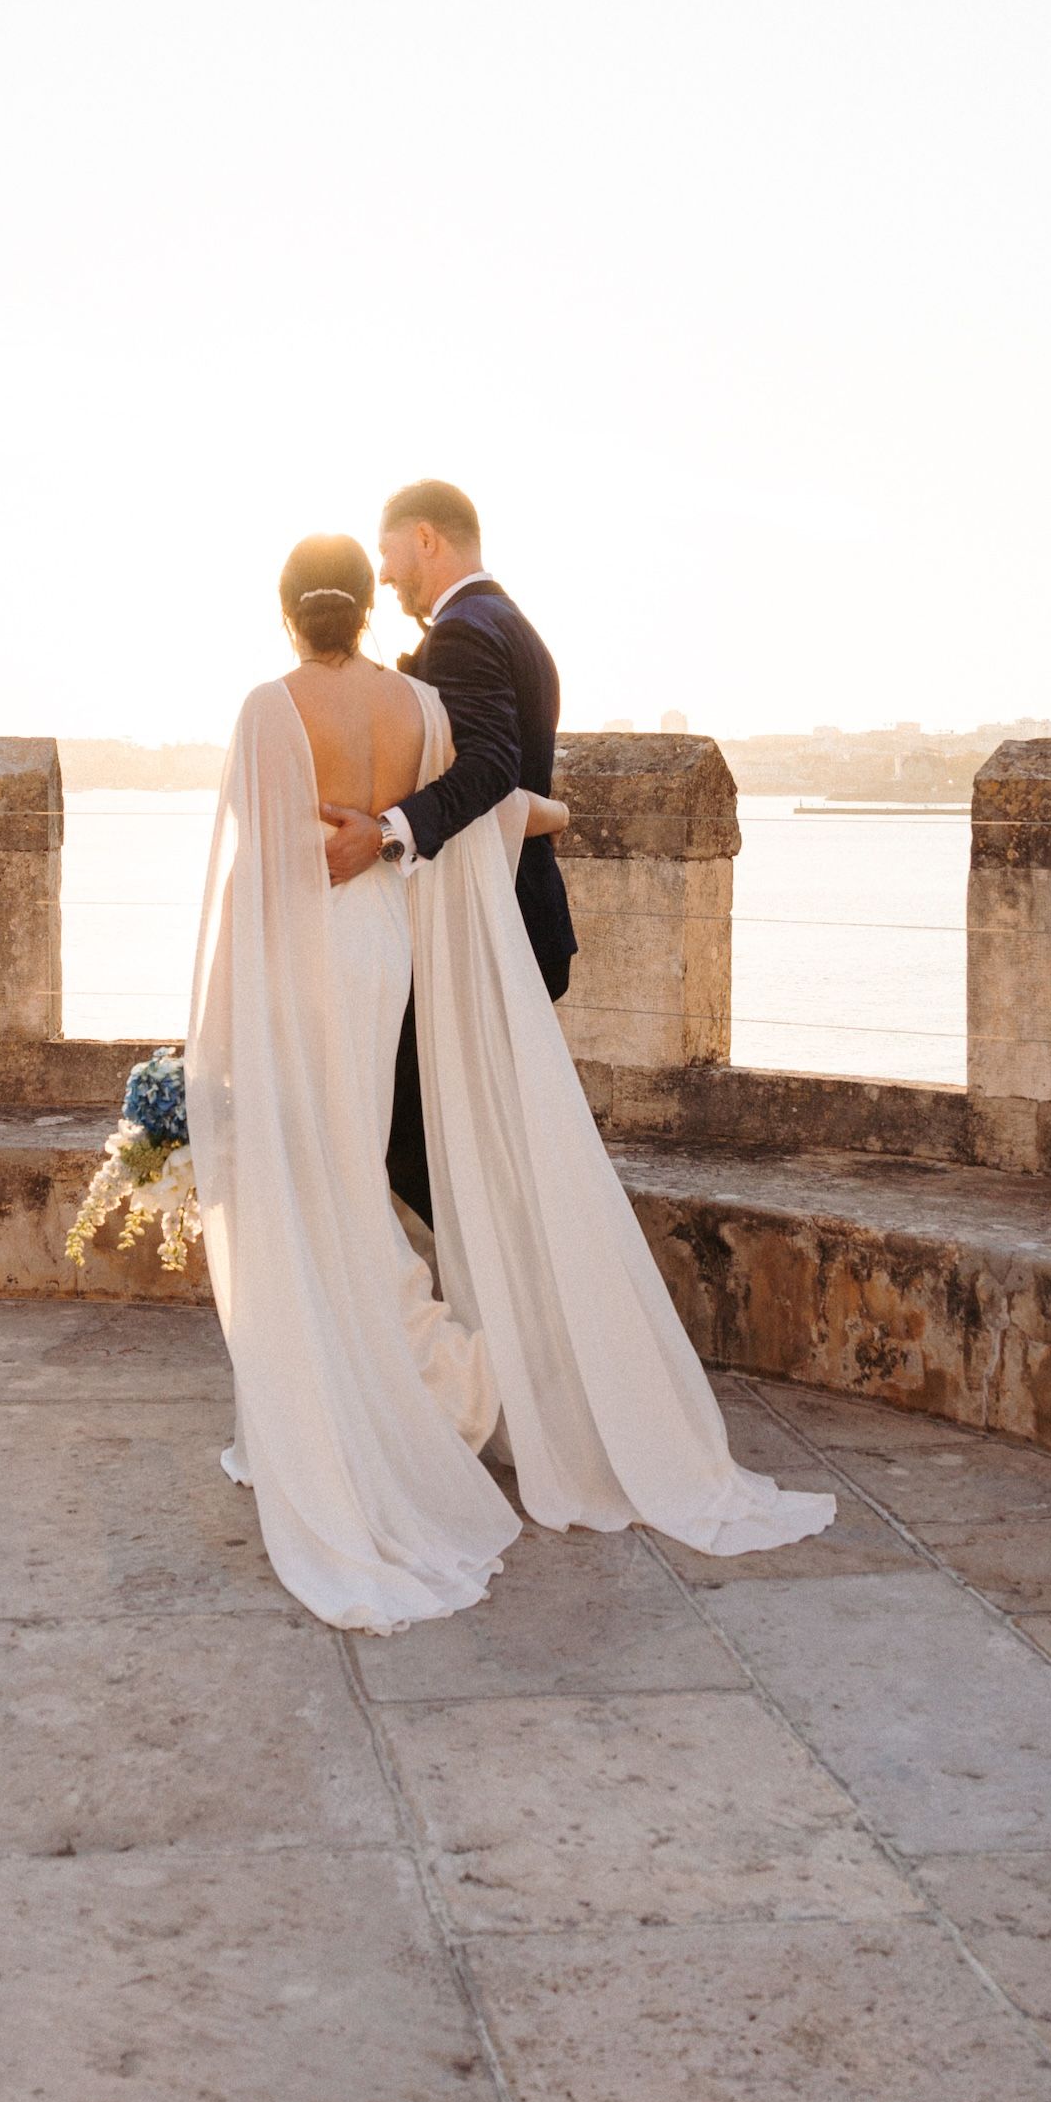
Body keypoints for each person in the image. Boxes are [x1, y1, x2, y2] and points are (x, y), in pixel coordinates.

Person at [183, 521, 835, 1634]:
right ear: (357, 602)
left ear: (286, 612)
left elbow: (250, 868)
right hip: (381, 947)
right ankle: (419, 1389)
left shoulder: (263, 706)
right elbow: (485, 806)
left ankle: (407, 1397)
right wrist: (546, 812)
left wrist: (216, 1029)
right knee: (350, 1166)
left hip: (302, 959)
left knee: (317, 1177)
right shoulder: (416, 708)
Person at [317, 480, 575, 1228]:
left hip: (487, 931)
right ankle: (506, 1297)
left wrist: (386, 831)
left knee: (404, 1133)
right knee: (472, 1138)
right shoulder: (507, 621)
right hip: (519, 918)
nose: (386, 575)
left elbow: (493, 765)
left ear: (426, 538)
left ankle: (503, 1298)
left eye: (390, 553)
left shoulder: (463, 630)